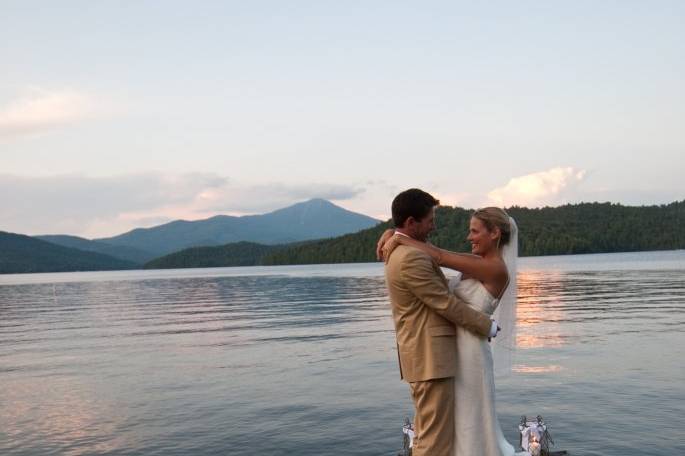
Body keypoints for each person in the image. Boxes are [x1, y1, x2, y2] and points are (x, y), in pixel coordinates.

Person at [378, 203, 524, 456]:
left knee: (470, 417)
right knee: (453, 420)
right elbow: (437, 268)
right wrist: (394, 234)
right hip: (451, 351)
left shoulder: (495, 268)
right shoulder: (475, 261)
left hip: (470, 353)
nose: (469, 237)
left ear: (495, 234)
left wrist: (398, 237)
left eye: (475, 231)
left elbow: (439, 256)